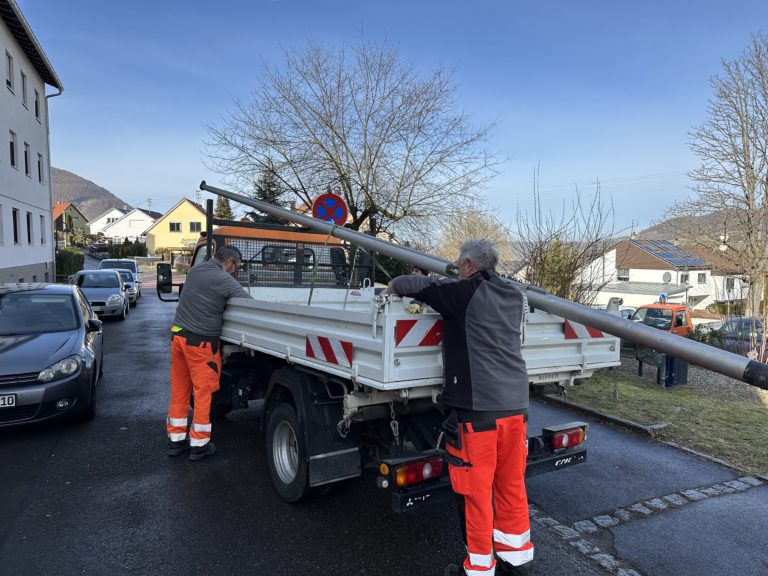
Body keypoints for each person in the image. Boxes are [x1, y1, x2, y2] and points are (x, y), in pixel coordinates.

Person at [386, 240, 533, 576]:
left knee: (475, 493)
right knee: (511, 486)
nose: (455, 268)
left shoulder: (463, 294)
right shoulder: (513, 295)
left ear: (468, 265)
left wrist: (393, 286)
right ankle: (516, 561)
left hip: (478, 412)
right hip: (516, 408)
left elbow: (415, 284)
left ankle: (478, 569)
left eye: (457, 264)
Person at [165, 245, 253, 461]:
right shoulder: (223, 279)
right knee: (203, 394)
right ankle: (199, 446)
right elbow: (249, 303)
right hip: (200, 345)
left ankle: (175, 443)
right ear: (230, 262)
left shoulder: (195, 271)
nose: (237, 273)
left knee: (180, 392)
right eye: (237, 268)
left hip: (178, 339)